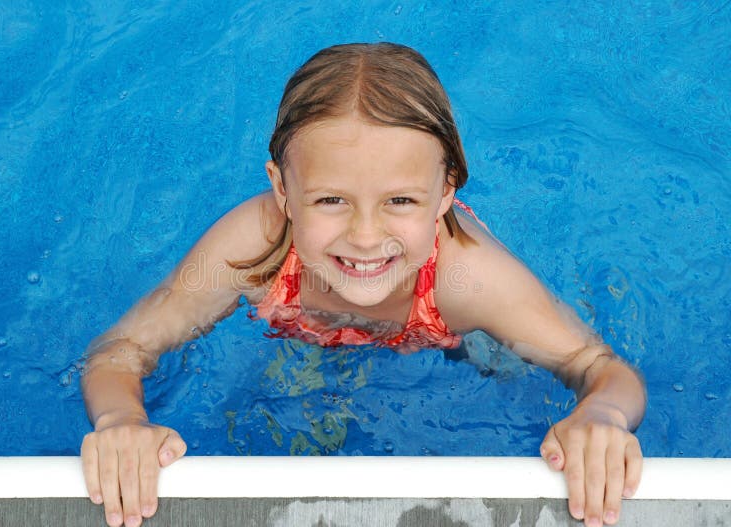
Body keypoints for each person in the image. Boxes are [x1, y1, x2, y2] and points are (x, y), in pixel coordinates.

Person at [80, 42, 645, 527]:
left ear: (446, 193)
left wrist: (602, 416)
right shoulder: (249, 252)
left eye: (401, 201)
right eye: (331, 200)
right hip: (302, 328)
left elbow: (600, 367)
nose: (367, 237)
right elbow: (121, 350)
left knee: (514, 369)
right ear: (282, 190)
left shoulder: (469, 279)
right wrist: (121, 420)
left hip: (440, 332)